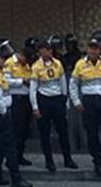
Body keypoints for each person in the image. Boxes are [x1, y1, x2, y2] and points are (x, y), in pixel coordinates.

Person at [69, 31, 101, 177]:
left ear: (100, 49)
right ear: (87, 49)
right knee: (92, 135)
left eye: (95, 48)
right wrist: (77, 101)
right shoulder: (80, 64)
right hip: (89, 102)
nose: (93, 50)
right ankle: (97, 162)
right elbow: (73, 85)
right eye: (91, 48)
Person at [0, 49, 32, 187]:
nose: (3, 61)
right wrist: (4, 111)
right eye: (1, 58)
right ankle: (16, 179)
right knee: (9, 146)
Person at [30, 37, 76, 172]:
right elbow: (33, 88)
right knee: (45, 133)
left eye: (48, 51)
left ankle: (68, 159)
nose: (46, 54)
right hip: (43, 99)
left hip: (57, 99)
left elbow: (63, 82)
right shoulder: (36, 67)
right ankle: (49, 161)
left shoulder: (58, 64)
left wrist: (65, 100)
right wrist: (35, 107)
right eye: (43, 51)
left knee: (63, 131)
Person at [3, 42, 34, 168]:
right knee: (15, 130)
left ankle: (20, 155)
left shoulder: (27, 64)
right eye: (25, 59)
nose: (25, 62)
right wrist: (21, 81)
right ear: (20, 55)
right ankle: (11, 158)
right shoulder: (9, 63)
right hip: (15, 98)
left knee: (24, 130)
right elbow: (5, 81)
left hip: (26, 99)